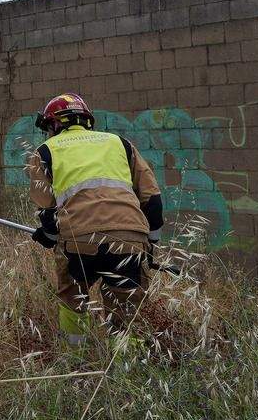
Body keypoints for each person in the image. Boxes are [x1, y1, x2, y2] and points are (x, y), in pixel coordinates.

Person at [26, 93, 165, 349]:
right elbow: (153, 201)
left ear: (54, 124)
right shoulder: (120, 144)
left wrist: (48, 236)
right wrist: (151, 243)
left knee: (73, 298)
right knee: (126, 309)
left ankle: (75, 356)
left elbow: (48, 214)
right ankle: (127, 363)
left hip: (77, 242)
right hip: (130, 239)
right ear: (87, 120)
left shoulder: (45, 151)